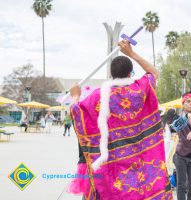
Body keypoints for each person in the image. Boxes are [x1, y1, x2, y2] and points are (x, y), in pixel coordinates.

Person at [68, 40, 173, 200]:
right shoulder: (140, 89)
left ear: (111, 75)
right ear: (130, 73)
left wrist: (75, 95)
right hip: (141, 164)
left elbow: (76, 113)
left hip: (114, 168)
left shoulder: (98, 96)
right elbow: (153, 73)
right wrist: (131, 53)